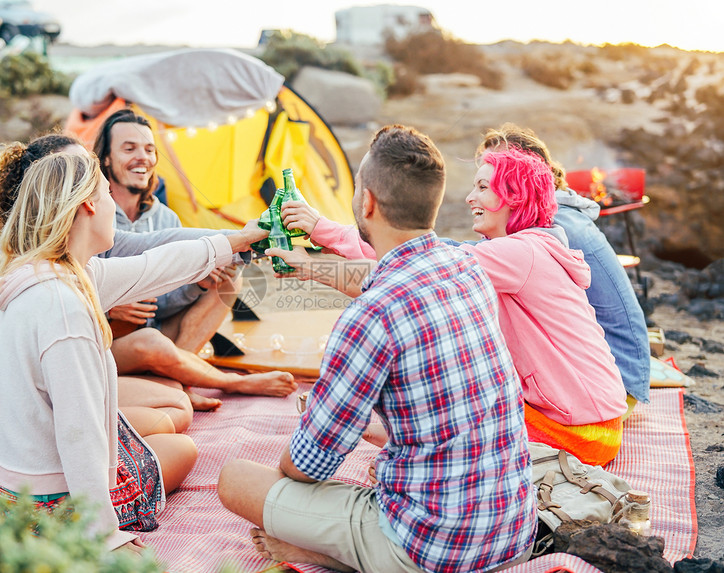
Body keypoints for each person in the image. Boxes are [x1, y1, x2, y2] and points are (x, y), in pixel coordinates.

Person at [217, 125, 537, 573]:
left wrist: (318, 426)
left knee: (235, 480)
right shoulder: (465, 264)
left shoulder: (369, 318)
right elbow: (389, 275)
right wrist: (312, 268)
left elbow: (309, 466)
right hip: (512, 533)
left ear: (367, 201)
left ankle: (342, 554)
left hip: (434, 552)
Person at [0, 152, 266, 552]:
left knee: (167, 420)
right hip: (33, 507)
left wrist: (234, 242)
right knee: (181, 449)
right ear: (89, 204)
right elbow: (80, 434)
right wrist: (106, 537)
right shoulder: (64, 309)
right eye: (107, 192)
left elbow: (154, 266)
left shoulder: (52, 271)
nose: (112, 203)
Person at [282, 124, 651, 413]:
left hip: (602, 394)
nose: (470, 196)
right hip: (589, 389)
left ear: (517, 187)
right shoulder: (539, 234)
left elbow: (416, 259)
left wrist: (320, 240)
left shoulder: (531, 247)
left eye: (486, 182)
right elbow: (415, 261)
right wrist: (321, 249)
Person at [92, 110, 297, 407]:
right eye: (129, 148)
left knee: (228, 282)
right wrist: (109, 309)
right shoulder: (95, 216)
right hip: (112, 342)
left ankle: (178, 382)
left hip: (158, 331)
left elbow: (161, 305)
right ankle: (231, 383)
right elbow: (76, 284)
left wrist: (197, 284)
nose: (143, 157)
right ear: (106, 159)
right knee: (150, 343)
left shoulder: (165, 216)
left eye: (149, 149)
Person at [476, 124, 650, 413]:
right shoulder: (551, 212)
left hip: (615, 382)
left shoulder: (553, 222)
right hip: (608, 378)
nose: (486, 173)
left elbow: (472, 262)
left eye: (495, 170)